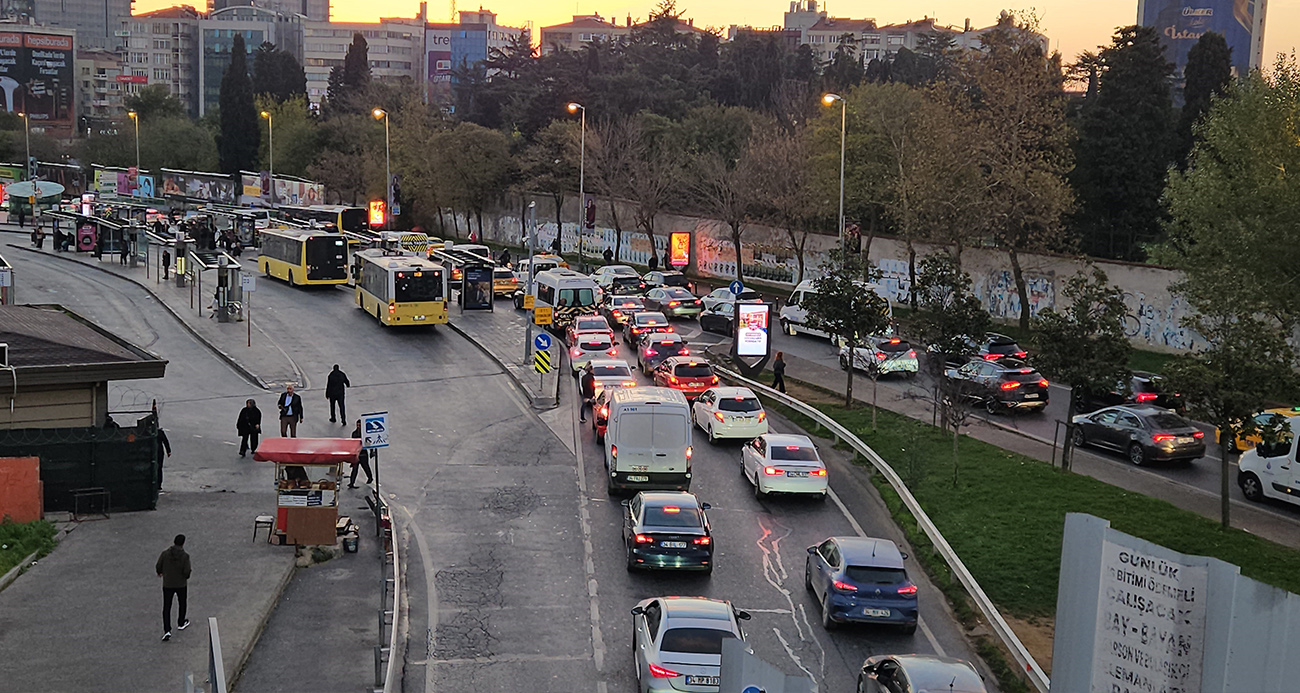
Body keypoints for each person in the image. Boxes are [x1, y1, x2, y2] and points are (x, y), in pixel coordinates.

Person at [156, 534, 192, 642]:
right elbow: (186, 572)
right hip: (181, 584)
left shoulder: (165, 554)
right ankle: (181, 622)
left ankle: (167, 630)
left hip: (167, 584)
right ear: (183, 543)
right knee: (182, 603)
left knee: (167, 607)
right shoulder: (185, 556)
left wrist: (160, 572)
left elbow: (158, 566)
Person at [348, 420, 374, 489]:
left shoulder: (365, 434)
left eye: (360, 425)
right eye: (357, 425)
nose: (358, 427)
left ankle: (370, 477)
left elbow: (369, 443)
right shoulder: (354, 433)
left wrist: (371, 451)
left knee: (365, 467)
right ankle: (351, 483)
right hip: (357, 454)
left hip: (363, 453)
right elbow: (352, 444)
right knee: (355, 469)